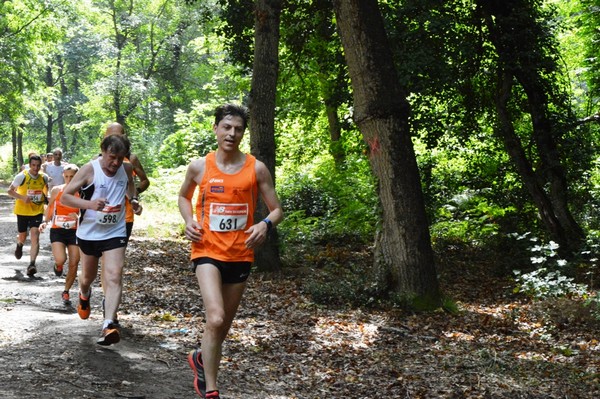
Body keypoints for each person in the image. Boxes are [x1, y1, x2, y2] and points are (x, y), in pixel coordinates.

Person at [178, 104, 283, 399]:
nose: (231, 133)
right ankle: (210, 388)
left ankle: (201, 356)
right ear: (215, 129)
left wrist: (264, 225)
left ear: (243, 133)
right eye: (226, 127)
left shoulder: (256, 168)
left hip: (240, 254)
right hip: (206, 250)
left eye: (237, 129)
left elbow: (276, 210)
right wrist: (189, 221)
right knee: (215, 317)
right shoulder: (200, 167)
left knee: (222, 327)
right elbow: (184, 197)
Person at [61, 134, 142, 346]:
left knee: (115, 275)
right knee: (87, 277)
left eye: (120, 158)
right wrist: (89, 205)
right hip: (89, 234)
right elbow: (65, 196)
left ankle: (108, 324)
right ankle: (84, 294)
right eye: (112, 157)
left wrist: (133, 200)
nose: (115, 163)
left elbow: (130, 186)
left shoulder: (125, 169)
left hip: (115, 231)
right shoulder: (89, 170)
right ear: (103, 151)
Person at [39, 164, 81, 304]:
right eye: (67, 176)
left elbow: (88, 211)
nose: (69, 179)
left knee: (74, 263)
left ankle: (66, 291)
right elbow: (50, 206)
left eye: (72, 177)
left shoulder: (82, 192)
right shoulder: (57, 190)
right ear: (63, 175)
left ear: (77, 177)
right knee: (61, 259)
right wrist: (45, 221)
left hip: (75, 230)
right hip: (58, 229)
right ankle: (58, 265)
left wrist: (79, 216)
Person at [7, 154, 49, 277]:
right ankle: (19, 244)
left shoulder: (44, 178)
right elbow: (9, 191)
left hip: (37, 211)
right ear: (29, 165)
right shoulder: (22, 176)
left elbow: (46, 190)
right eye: (33, 165)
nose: (35, 168)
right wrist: (22, 197)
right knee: (23, 236)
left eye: (38, 166)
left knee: (35, 235)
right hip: (22, 211)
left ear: (41, 165)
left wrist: (47, 199)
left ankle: (32, 264)